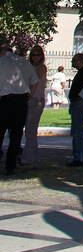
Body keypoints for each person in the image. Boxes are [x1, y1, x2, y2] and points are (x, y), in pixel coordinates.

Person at [0, 41, 41, 176]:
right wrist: (28, 95)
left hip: (5, 99)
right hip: (21, 99)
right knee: (16, 134)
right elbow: (35, 81)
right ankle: (10, 166)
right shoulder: (23, 62)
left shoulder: (1, 62)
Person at [21, 45, 48, 166]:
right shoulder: (31, 67)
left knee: (31, 129)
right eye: (33, 54)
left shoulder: (41, 68)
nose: (35, 57)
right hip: (32, 99)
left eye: (38, 54)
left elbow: (34, 83)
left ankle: (29, 157)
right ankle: (29, 156)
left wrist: (28, 96)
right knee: (29, 130)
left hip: (36, 99)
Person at [66, 53, 83, 167]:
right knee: (77, 130)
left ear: (80, 61)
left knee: (77, 131)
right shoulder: (82, 73)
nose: (73, 63)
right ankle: (79, 156)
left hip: (79, 104)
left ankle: (79, 157)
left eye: (74, 61)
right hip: (77, 103)